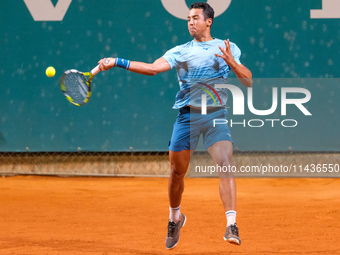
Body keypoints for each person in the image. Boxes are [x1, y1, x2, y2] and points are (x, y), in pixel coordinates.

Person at [98, 2, 252, 249]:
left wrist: (232, 63)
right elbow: (151, 69)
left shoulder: (227, 47)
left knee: (225, 164)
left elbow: (248, 81)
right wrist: (117, 61)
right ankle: (175, 218)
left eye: (195, 18)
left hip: (215, 115)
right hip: (187, 117)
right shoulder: (180, 51)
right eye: (188, 18)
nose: (190, 22)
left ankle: (231, 225)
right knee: (177, 173)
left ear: (208, 21)